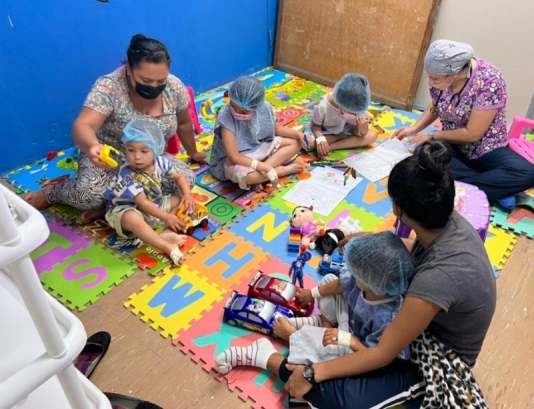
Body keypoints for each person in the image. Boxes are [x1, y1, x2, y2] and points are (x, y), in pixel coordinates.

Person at [267, 141, 496, 409]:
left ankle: (280, 364)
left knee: (340, 398)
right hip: (413, 323)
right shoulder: (446, 220)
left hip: (436, 355)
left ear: (398, 210)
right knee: (347, 287)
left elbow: (382, 353)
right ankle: (313, 346)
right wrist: (361, 238)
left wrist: (311, 373)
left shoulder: (435, 279)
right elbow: (409, 248)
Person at [24, 34, 204, 222]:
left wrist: (193, 152)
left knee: (186, 180)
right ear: (129, 68)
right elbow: (83, 124)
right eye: (146, 80)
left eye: (161, 81)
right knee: (86, 194)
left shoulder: (174, 87)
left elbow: (183, 122)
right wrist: (93, 146)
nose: (154, 86)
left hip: (149, 157)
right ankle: (51, 194)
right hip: (109, 156)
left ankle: (112, 207)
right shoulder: (110, 87)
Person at [215, 231, 414, 375]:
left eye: (357, 272)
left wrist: (348, 340)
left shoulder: (388, 318)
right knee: (328, 281)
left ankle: (294, 336)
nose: (350, 273)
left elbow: (373, 357)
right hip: (347, 321)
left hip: (358, 345)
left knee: (340, 353)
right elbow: (340, 284)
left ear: (373, 282)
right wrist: (311, 293)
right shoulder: (365, 284)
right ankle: (323, 326)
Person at [395, 40, 534, 210]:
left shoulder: (490, 81)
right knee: (422, 152)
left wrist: (433, 134)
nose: (431, 83)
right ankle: (496, 187)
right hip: (454, 144)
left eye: (434, 78)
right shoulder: (441, 80)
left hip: (487, 149)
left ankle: (453, 189)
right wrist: (414, 129)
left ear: (454, 74)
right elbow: (436, 105)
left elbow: (473, 134)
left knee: (528, 173)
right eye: (430, 77)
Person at [104, 120, 195, 265]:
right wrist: (167, 217)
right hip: (130, 210)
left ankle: (166, 232)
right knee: (131, 218)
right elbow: (143, 203)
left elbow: (179, 176)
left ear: (156, 149)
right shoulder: (128, 173)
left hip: (155, 205)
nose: (137, 157)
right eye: (131, 150)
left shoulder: (161, 162)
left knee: (179, 200)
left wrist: (187, 194)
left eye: (144, 151)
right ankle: (166, 246)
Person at [209, 76, 304, 192]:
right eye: (234, 106)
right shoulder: (225, 117)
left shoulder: (264, 107)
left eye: (244, 111)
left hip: (259, 148)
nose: (238, 112)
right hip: (236, 159)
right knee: (243, 175)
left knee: (296, 143)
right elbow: (234, 157)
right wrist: (263, 167)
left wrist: (298, 135)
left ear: (256, 106)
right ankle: (278, 171)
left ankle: (262, 176)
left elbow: (276, 129)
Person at [304, 73, 377, 158]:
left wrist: (363, 129)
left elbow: (355, 131)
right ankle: (341, 138)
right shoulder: (324, 107)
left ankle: (331, 147)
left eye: (354, 113)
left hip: (345, 130)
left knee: (372, 135)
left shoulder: (359, 107)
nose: (353, 115)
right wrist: (320, 139)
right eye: (350, 113)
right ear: (340, 104)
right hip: (326, 130)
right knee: (309, 144)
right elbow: (316, 126)